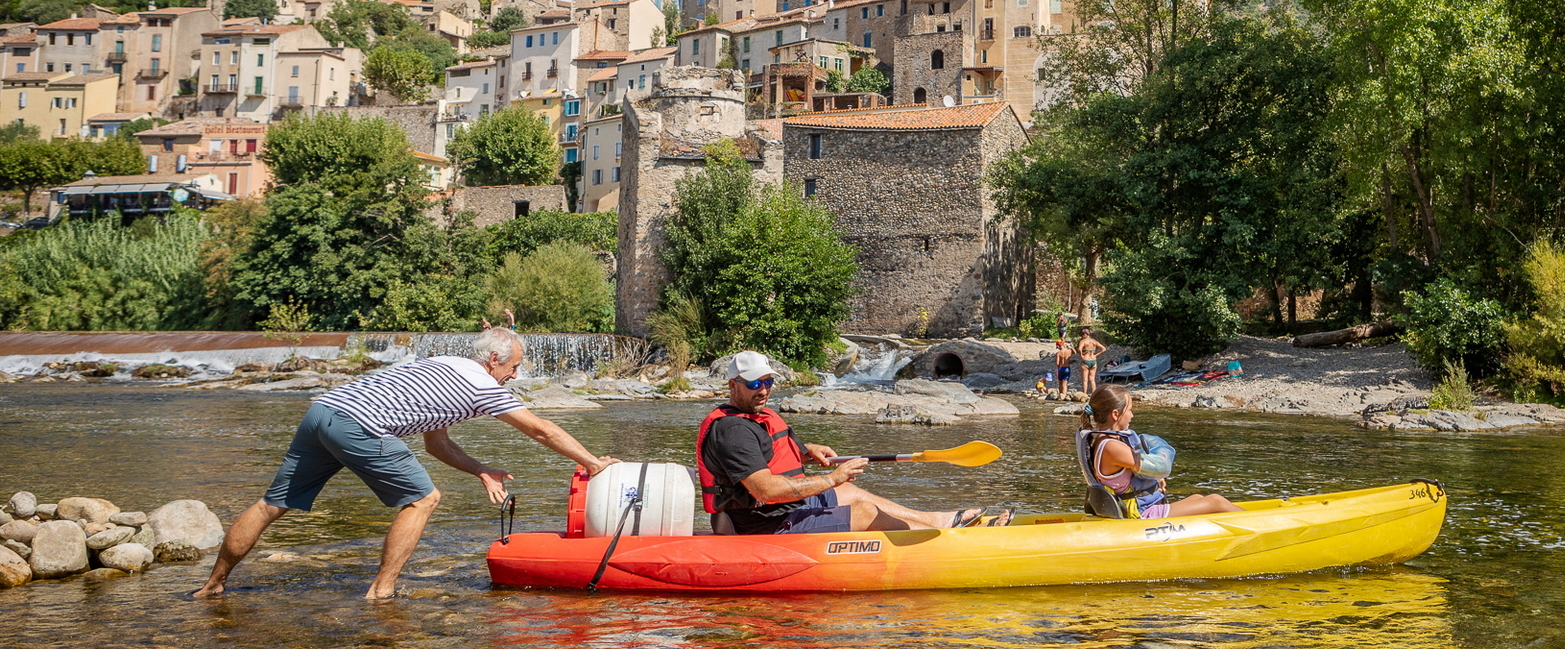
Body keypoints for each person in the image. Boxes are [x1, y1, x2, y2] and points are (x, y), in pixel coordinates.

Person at [194, 328, 619, 600]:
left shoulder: (442, 365)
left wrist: (479, 469)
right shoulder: (483, 385)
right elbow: (540, 429)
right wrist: (592, 463)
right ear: (494, 361)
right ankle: (382, 591)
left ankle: (212, 586)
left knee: (273, 503)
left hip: (323, 412)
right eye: (514, 367)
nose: (515, 376)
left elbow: (436, 443)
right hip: (361, 424)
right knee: (423, 499)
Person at [696, 351, 1009, 534]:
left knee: (847, 491)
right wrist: (829, 478)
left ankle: (939, 521)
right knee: (863, 511)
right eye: (754, 384)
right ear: (733, 385)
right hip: (760, 526)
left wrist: (806, 453)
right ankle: (943, 541)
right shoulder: (732, 430)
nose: (763, 390)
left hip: (780, 510)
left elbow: (770, 456)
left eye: (767, 382)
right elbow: (765, 489)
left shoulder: (755, 417)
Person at [1078, 385, 1243, 519]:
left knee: (1198, 498)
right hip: (1141, 514)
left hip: (1137, 508)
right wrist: (1158, 473)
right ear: (1116, 414)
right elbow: (1158, 466)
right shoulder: (1111, 447)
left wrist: (1155, 479)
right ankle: (1264, 525)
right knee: (1216, 501)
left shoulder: (1099, 439)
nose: (1132, 415)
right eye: (1129, 410)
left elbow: (1137, 470)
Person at [1075, 328, 1106, 394]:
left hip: (1086, 360)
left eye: (1082, 334)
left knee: (1085, 380)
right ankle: (1094, 394)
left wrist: (1081, 356)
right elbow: (1103, 349)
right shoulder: (1094, 341)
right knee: (1092, 380)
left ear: (1085, 334)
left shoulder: (1083, 341)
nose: (1082, 336)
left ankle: (1084, 394)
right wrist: (1096, 355)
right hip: (1093, 361)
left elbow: (1080, 349)